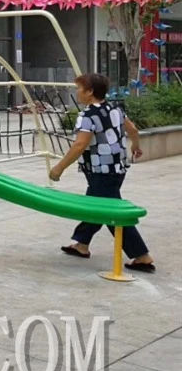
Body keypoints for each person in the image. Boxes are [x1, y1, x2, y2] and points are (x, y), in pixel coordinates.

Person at [49, 73, 155, 273]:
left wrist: (59, 167)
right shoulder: (115, 107)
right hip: (116, 168)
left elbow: (80, 144)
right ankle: (81, 244)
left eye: (79, 89)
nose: (77, 92)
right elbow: (132, 129)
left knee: (109, 213)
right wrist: (135, 147)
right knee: (97, 206)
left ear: (90, 92)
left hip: (101, 171)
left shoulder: (87, 115)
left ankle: (141, 255)